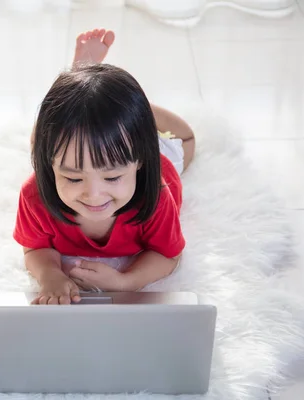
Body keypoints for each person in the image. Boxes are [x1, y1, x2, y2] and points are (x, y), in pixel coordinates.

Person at [14, 29, 196, 305]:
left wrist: (127, 281)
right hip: (91, 150)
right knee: (40, 140)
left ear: (139, 164)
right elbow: (34, 247)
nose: (94, 195)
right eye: (73, 179)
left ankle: (127, 107)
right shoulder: (34, 193)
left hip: (136, 145)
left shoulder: (157, 193)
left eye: (112, 178)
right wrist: (49, 274)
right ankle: (81, 92)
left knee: (187, 139)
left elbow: (168, 255)